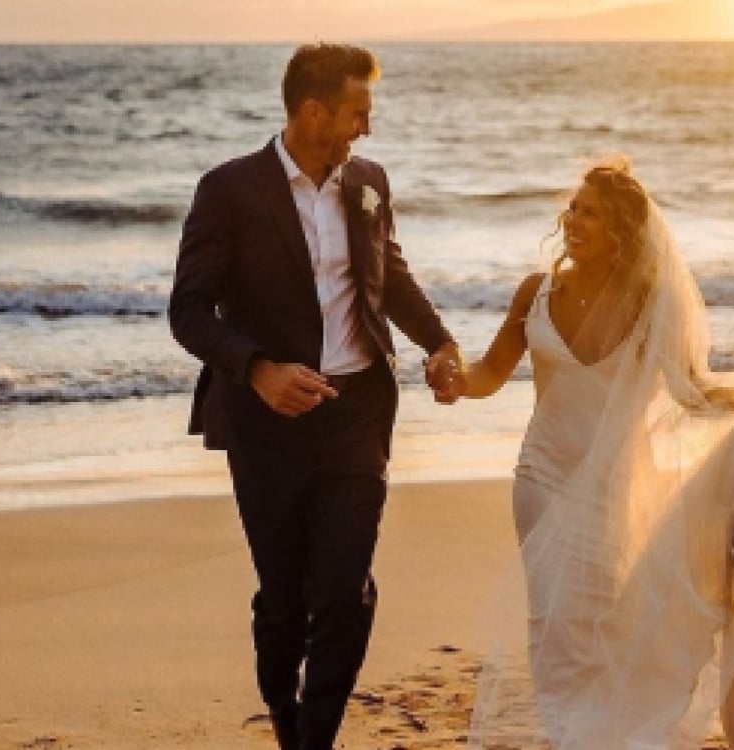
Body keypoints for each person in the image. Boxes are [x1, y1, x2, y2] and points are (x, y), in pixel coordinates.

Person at [437, 158, 734, 749]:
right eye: (574, 209)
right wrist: (456, 380)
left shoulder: (648, 302)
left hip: (611, 484)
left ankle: (603, 728)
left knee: (597, 615)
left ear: (622, 232)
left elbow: (688, 389)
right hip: (542, 473)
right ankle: (568, 733)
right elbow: (489, 373)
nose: (575, 222)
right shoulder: (536, 293)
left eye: (592, 214)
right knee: (549, 616)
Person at [169, 43, 462, 750]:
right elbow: (189, 311)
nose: (366, 129)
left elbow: (387, 275)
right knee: (285, 600)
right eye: (358, 114)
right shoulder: (230, 190)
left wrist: (439, 342)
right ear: (312, 111)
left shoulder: (369, 182)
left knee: (343, 591)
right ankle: (286, 714)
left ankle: (316, 742)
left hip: (357, 413)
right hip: (267, 426)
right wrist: (259, 370)